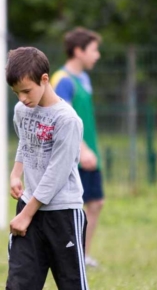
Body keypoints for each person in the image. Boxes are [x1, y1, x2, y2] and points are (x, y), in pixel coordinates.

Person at [6, 47, 89, 289]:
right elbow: (25, 141)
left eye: (26, 91)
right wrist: (15, 173)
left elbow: (57, 173)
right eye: (15, 93)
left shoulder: (67, 120)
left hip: (62, 213)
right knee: (19, 284)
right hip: (29, 209)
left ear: (44, 79)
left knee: (71, 283)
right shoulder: (23, 110)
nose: (21, 98)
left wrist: (26, 214)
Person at [51, 27, 104, 267]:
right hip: (73, 155)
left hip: (89, 151)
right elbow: (61, 119)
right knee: (71, 207)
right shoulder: (62, 81)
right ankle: (66, 257)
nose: (98, 55)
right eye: (94, 50)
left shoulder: (84, 78)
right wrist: (82, 149)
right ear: (78, 51)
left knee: (95, 203)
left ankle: (82, 256)